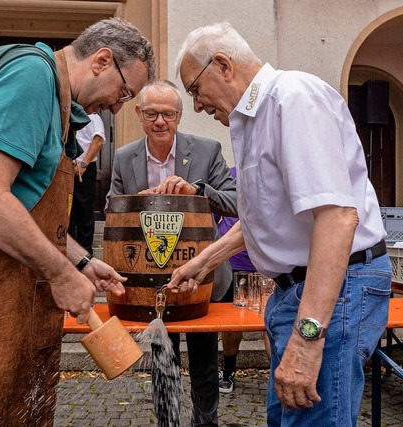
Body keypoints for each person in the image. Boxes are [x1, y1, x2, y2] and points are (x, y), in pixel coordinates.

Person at [0, 18, 155, 426]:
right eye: (124, 92)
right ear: (102, 60)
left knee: (5, 408)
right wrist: (59, 273)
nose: (115, 107)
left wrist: (79, 261)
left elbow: (23, 208)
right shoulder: (31, 78)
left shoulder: (54, 94)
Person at [169, 23, 391, 426]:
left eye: (195, 89)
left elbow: (338, 217)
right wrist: (204, 260)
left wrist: (308, 339)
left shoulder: (292, 99)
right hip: (302, 292)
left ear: (222, 65)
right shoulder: (252, 116)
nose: (197, 105)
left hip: (334, 290)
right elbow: (266, 216)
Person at [107, 78, 237, 426]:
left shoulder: (207, 150)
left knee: (204, 357)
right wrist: (139, 202)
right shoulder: (123, 157)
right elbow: (113, 211)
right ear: (139, 114)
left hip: (203, 277)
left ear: (179, 115)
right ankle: (168, 421)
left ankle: (205, 421)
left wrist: (196, 191)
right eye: (152, 113)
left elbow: (237, 203)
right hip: (148, 281)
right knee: (162, 356)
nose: (160, 121)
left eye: (167, 114)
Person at [213, 166, 262, 394]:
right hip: (233, 264)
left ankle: (276, 375)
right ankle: (229, 371)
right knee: (232, 324)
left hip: (266, 266)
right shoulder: (228, 176)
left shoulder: (271, 172)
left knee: (270, 323)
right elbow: (214, 217)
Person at [69, 113, 106, 254]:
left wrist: (84, 164)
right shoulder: (68, 113)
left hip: (84, 167)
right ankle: (70, 254)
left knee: (85, 213)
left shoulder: (93, 116)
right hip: (67, 166)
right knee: (69, 213)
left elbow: (98, 140)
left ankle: (85, 253)